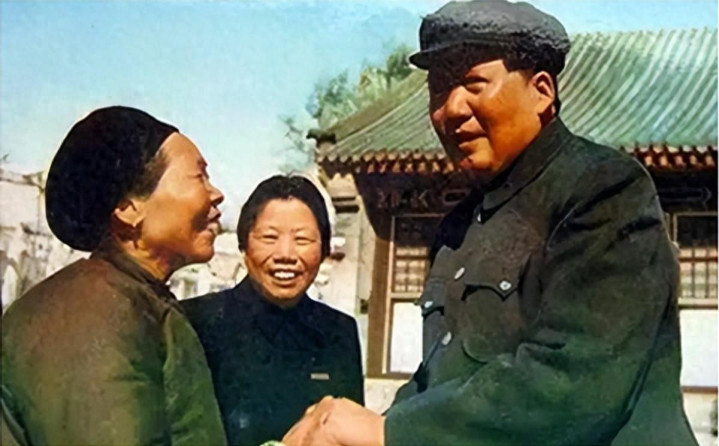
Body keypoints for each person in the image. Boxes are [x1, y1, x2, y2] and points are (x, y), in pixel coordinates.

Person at [283, 1, 698, 445]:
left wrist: (389, 432)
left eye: (473, 83)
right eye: (438, 89)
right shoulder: (458, 227)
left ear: (541, 91)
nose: (452, 108)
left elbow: (575, 381)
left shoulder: (604, 190)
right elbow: (440, 378)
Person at [1, 106, 227, 445]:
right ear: (129, 208)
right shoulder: (88, 313)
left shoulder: (131, 296)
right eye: (199, 176)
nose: (217, 194)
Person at [182, 175, 364, 446]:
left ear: (325, 249)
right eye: (269, 237)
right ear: (244, 245)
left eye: (302, 239)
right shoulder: (196, 321)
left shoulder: (339, 330)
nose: (285, 254)